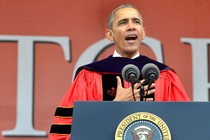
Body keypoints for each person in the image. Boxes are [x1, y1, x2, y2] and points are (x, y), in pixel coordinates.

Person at [49, 4, 190, 140]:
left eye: (136, 22)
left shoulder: (165, 76)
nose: (131, 27)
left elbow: (186, 127)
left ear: (143, 32)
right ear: (110, 35)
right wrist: (116, 104)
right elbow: (68, 133)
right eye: (123, 22)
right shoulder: (89, 76)